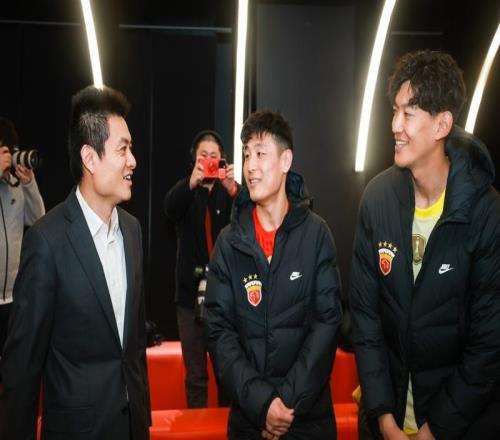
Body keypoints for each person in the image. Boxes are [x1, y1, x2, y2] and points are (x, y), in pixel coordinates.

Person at [350, 49, 500, 440]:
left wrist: (435, 431)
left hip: (460, 427)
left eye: (409, 113)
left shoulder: (486, 212)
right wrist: (383, 418)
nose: (395, 126)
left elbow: (489, 344)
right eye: (394, 111)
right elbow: (365, 319)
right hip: (386, 423)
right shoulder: (377, 199)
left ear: (442, 125)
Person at [0, 86, 151, 439]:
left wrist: (142, 417)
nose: (133, 160)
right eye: (123, 149)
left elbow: (134, 346)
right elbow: (22, 371)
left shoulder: (132, 231)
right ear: (90, 158)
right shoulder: (47, 241)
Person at [205, 110, 342, 439]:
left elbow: (327, 324)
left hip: (307, 420)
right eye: (246, 155)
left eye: (260, 153)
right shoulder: (229, 242)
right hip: (249, 421)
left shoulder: (316, 235)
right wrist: (263, 405)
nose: (250, 166)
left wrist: (284, 406)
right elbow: (219, 332)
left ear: (285, 160)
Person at [164, 130, 237, 408]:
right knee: (195, 376)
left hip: (225, 298)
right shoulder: (186, 191)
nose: (208, 161)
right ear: (194, 159)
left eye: (214, 156)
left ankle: (230, 426)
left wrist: (233, 188)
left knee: (227, 373)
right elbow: (169, 208)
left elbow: (253, 215)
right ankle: (197, 425)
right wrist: (190, 183)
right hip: (188, 298)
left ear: (223, 161)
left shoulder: (229, 193)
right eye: (203, 156)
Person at [0, 117, 45, 371]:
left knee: (14, 371)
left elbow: (38, 220)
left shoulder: (15, 186)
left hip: (14, 297)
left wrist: (29, 184)